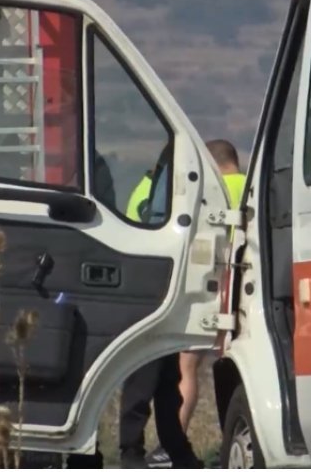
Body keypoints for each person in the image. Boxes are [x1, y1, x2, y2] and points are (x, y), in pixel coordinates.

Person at [146, 139, 246, 469]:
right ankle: (238, 439)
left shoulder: (206, 189)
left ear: (212, 164)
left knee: (186, 369)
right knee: (240, 367)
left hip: (208, 288)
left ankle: (169, 446)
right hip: (246, 291)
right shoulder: (250, 186)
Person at [118, 151, 203, 470]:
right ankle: (133, 453)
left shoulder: (151, 184)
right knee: (148, 374)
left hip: (157, 285)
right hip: (158, 285)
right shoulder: (171, 180)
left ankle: (174, 451)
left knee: (165, 378)